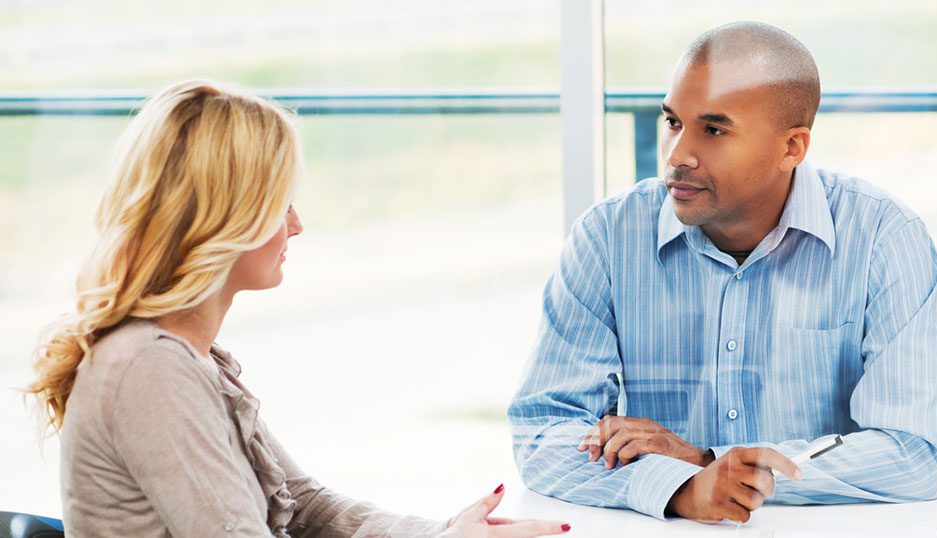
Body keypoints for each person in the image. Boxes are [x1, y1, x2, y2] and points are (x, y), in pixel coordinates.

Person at [27, 80, 569, 538]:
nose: (297, 224)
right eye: (281, 202)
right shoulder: (150, 369)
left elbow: (304, 505)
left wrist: (441, 534)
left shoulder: (189, 357)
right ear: (229, 217)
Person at [507, 21, 937, 524]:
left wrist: (705, 462)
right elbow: (544, 429)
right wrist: (679, 489)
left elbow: (913, 456)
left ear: (792, 148)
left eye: (714, 130)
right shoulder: (608, 236)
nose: (677, 155)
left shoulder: (883, 238)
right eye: (673, 122)